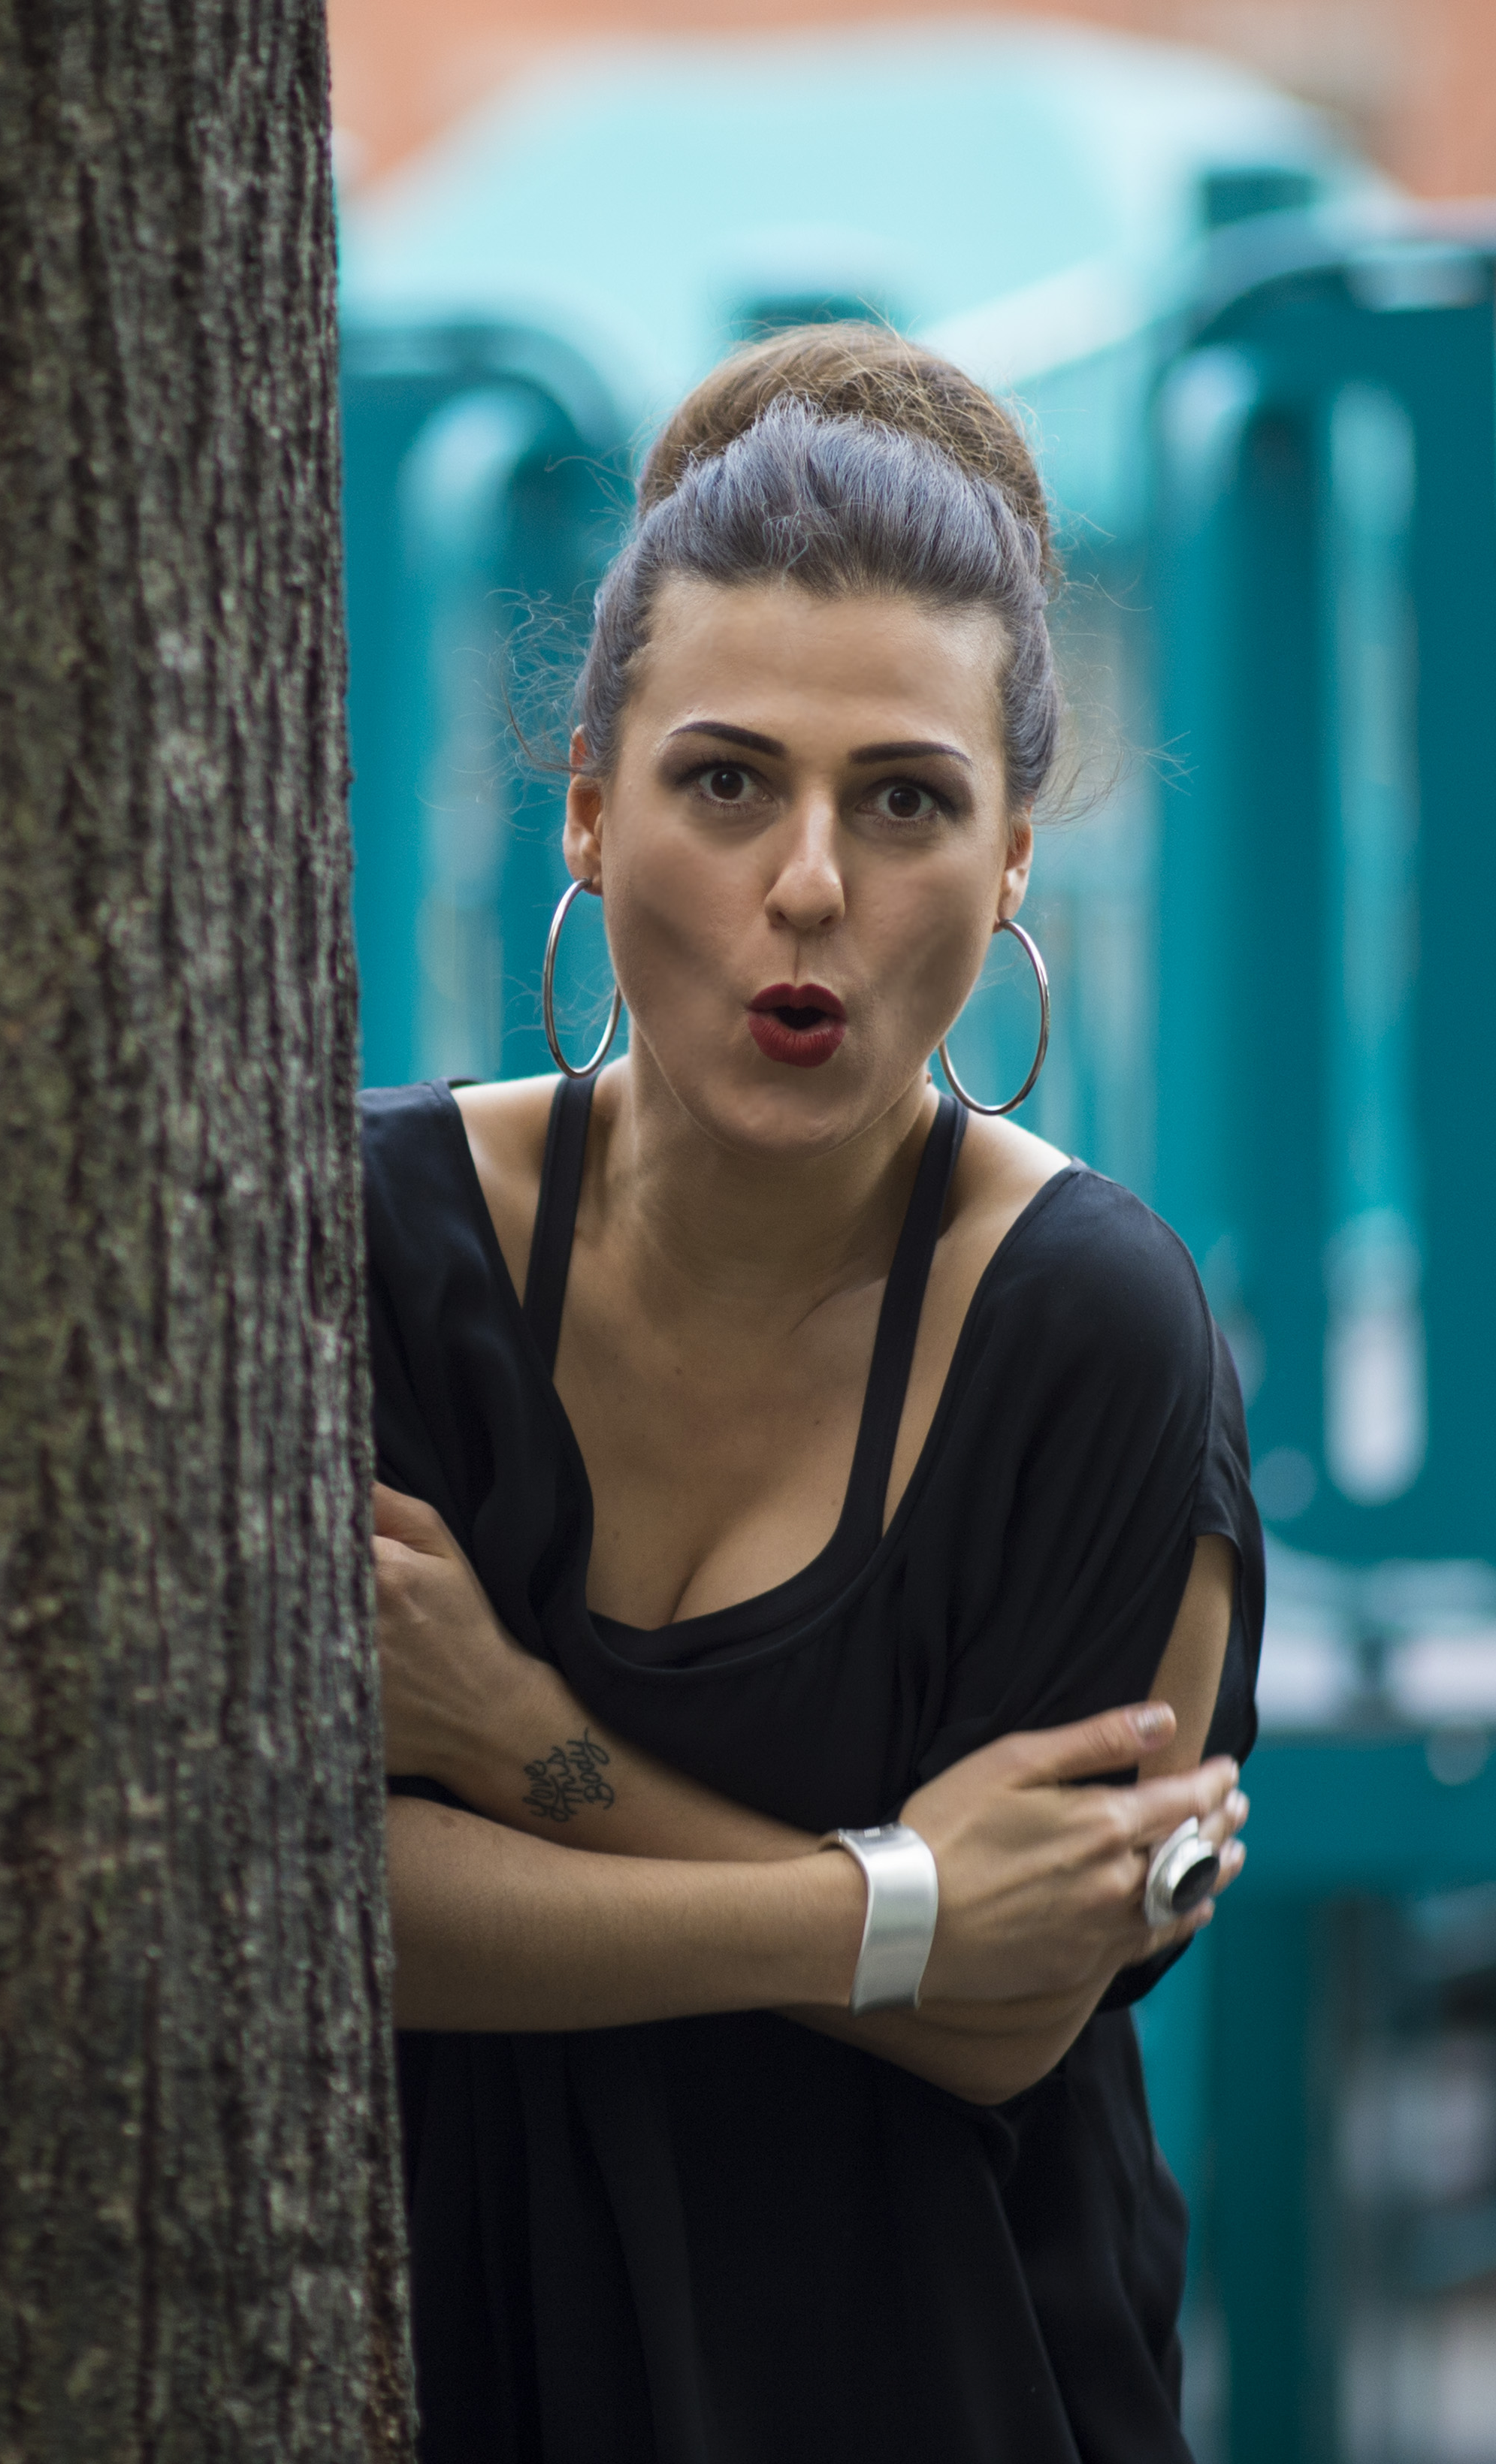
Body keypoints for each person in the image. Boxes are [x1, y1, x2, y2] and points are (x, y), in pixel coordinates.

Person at [362, 323, 1266, 2464]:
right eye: (726, 779)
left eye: (908, 802)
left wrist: (523, 1741)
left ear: (1016, 857)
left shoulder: (1093, 1333)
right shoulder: (369, 1245)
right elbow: (340, 1912)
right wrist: (903, 1902)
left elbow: (1006, 2020)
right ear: (587, 802)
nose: (809, 887)